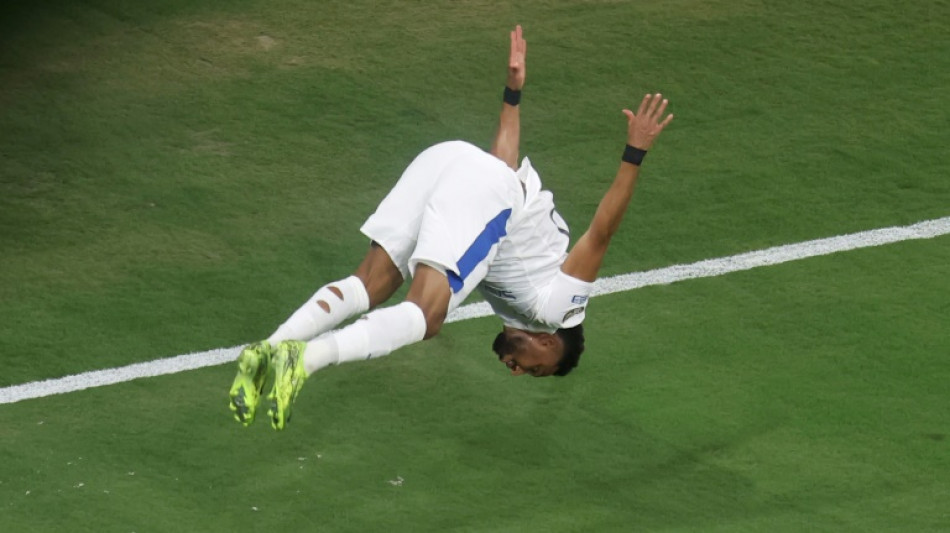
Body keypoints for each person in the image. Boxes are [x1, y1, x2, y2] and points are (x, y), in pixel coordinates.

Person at [228, 25, 674, 430]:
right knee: (428, 314)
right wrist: (634, 153)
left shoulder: (519, 289)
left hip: (449, 159)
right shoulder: (560, 309)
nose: (517, 369)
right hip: (479, 189)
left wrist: (512, 94)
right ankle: (305, 360)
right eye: (537, 367)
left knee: (371, 283)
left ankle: (267, 350)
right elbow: (601, 232)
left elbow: (499, 169)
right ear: (553, 342)